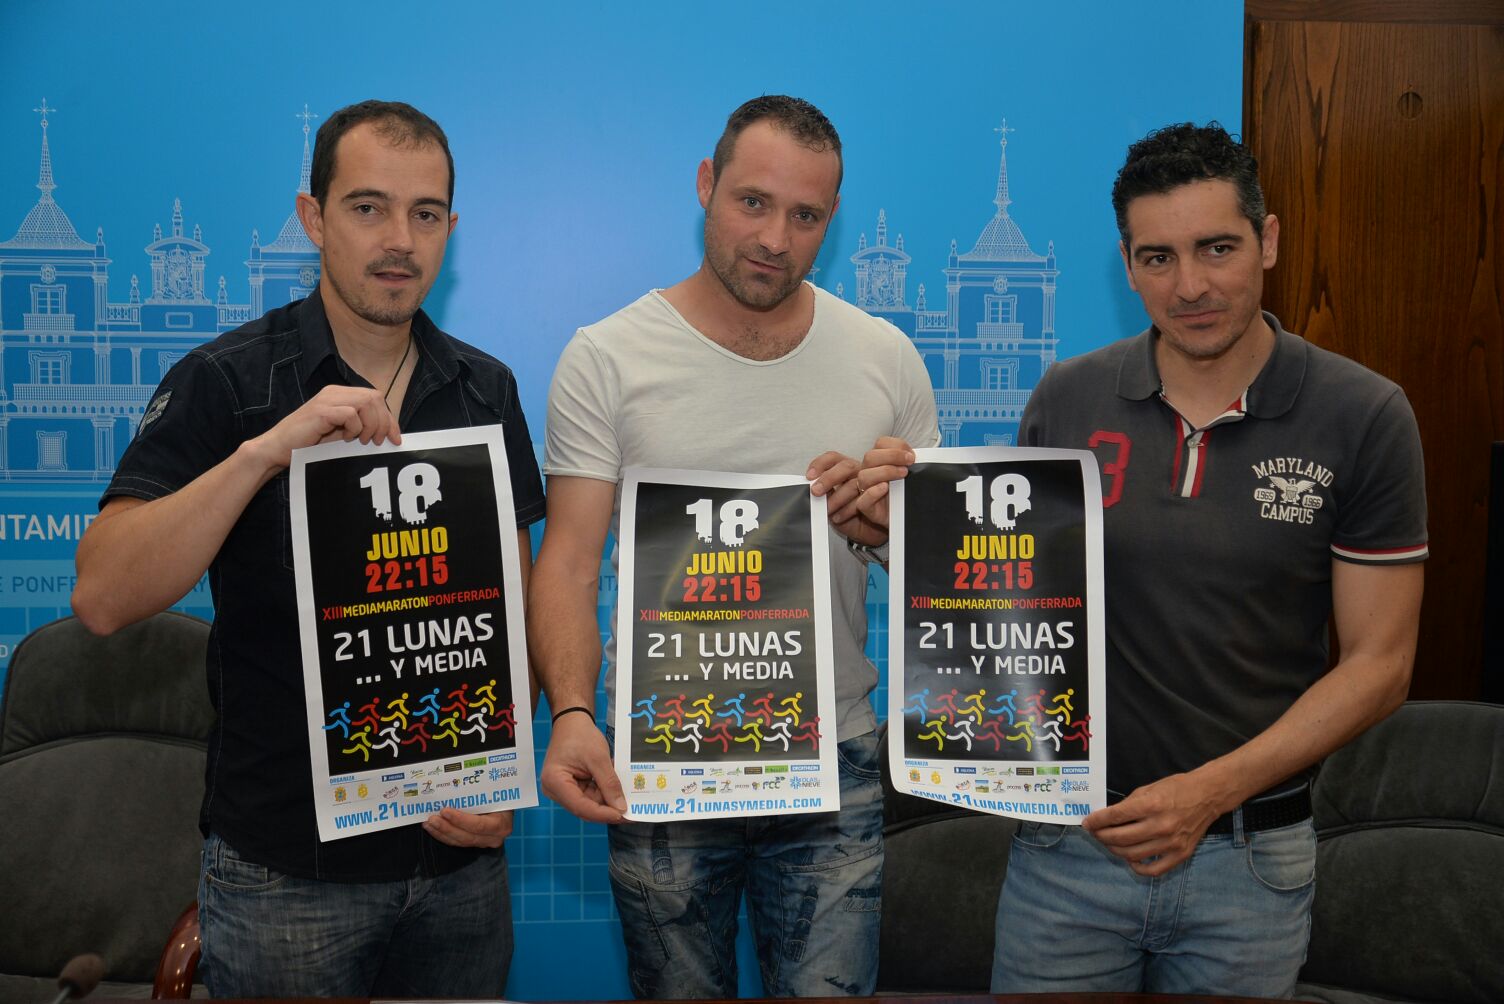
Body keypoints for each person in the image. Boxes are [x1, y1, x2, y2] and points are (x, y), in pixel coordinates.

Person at [857, 122, 1427, 998]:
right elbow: (1010, 613)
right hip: (1067, 851)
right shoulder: (1066, 398)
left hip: (1251, 860)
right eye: (1157, 257)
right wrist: (896, 534)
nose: (1190, 285)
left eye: (1217, 248)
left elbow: (1381, 666)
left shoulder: (1365, 415)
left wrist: (1208, 792)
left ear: (1267, 242)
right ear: (1126, 264)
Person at [71, 100, 543, 998]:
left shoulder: (485, 387)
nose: (399, 239)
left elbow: (506, 608)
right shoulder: (227, 382)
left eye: (427, 213)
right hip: (286, 875)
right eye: (368, 208)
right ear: (313, 217)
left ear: (450, 227)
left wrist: (503, 772)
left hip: (457, 873)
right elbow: (102, 595)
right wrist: (262, 455)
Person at [530, 95, 938, 998]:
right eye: (753, 202)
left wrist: (885, 534)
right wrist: (569, 714)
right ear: (707, 187)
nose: (776, 238)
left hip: (836, 751)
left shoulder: (887, 357)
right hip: (662, 752)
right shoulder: (608, 357)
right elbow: (566, 560)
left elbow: (941, 585)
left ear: (830, 220)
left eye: (805, 216)